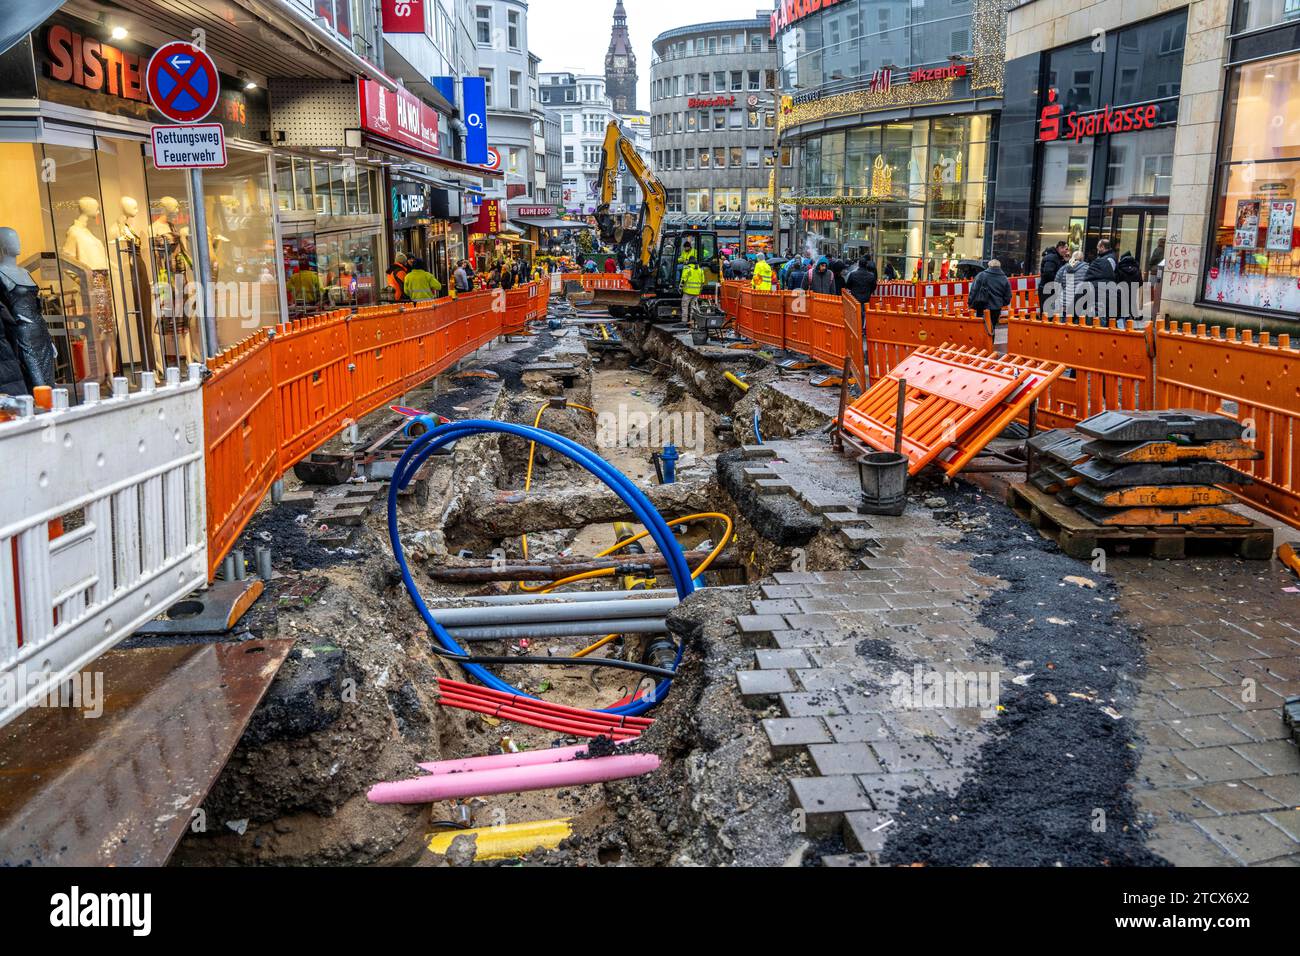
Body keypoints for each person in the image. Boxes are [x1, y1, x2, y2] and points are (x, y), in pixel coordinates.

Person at [968, 258, 1013, 330]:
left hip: (982, 306)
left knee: (981, 327)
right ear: (999, 267)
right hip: (996, 308)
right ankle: (991, 341)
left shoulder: (981, 275)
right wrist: (1001, 303)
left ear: (989, 266)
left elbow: (974, 290)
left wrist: (970, 303)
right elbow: (1008, 295)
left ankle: (981, 340)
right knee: (992, 328)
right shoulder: (1004, 278)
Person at [1083, 239, 1119, 317]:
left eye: (1098, 248)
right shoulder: (1105, 257)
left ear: (1102, 247)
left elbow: (1108, 274)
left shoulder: (1109, 259)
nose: (1097, 250)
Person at [1058, 250, 1085, 318]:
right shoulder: (1086, 269)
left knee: (1062, 324)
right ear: (1082, 259)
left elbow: (1058, 282)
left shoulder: (1064, 268)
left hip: (1064, 301)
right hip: (1077, 303)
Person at [680, 258, 706, 330]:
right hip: (696, 293)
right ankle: (692, 322)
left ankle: (684, 322)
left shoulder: (687, 269)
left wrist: (680, 289)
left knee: (685, 306)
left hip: (688, 292)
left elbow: (683, 279)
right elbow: (703, 281)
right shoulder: (700, 270)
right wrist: (699, 291)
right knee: (693, 307)